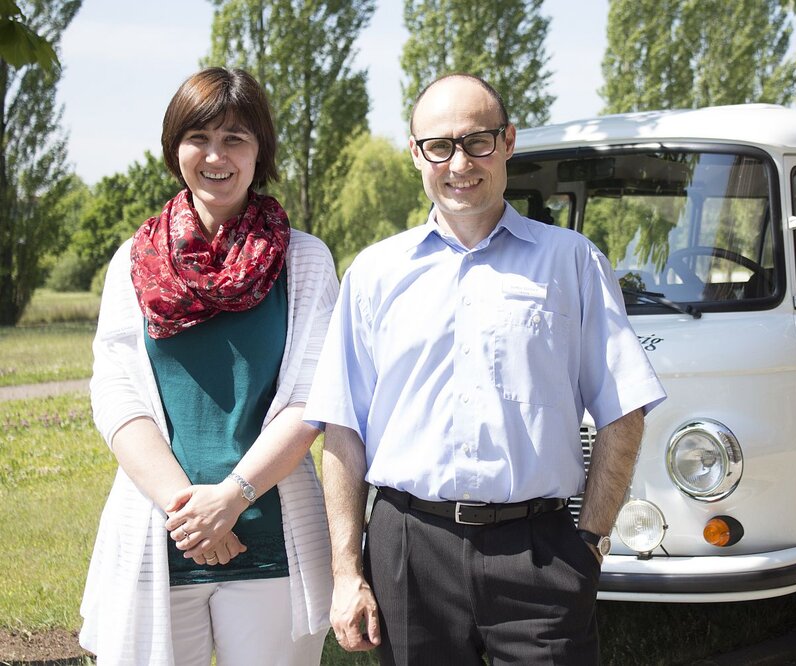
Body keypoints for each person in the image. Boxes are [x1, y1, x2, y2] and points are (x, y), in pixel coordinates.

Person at [303, 73, 666, 665]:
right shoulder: (374, 274)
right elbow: (342, 429)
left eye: (478, 141)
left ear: (509, 142)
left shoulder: (571, 261)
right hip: (409, 551)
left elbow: (622, 410)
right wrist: (347, 572)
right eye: (439, 146)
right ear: (416, 154)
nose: (459, 163)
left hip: (540, 554)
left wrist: (591, 545)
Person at [79, 67, 337, 665]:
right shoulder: (132, 262)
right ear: (175, 149)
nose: (215, 155)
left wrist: (232, 498)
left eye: (235, 138)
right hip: (159, 536)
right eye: (199, 136)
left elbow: (311, 398)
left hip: (273, 539)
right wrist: (190, 511)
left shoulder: (305, 262)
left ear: (260, 152)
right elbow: (118, 395)